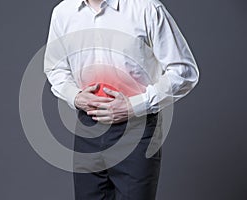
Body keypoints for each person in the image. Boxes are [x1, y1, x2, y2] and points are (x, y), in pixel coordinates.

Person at [44, 0, 199, 199]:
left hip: (137, 129)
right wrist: (75, 97)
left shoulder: (147, 9)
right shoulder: (63, 12)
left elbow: (184, 71)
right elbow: (55, 67)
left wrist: (133, 106)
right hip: (88, 129)